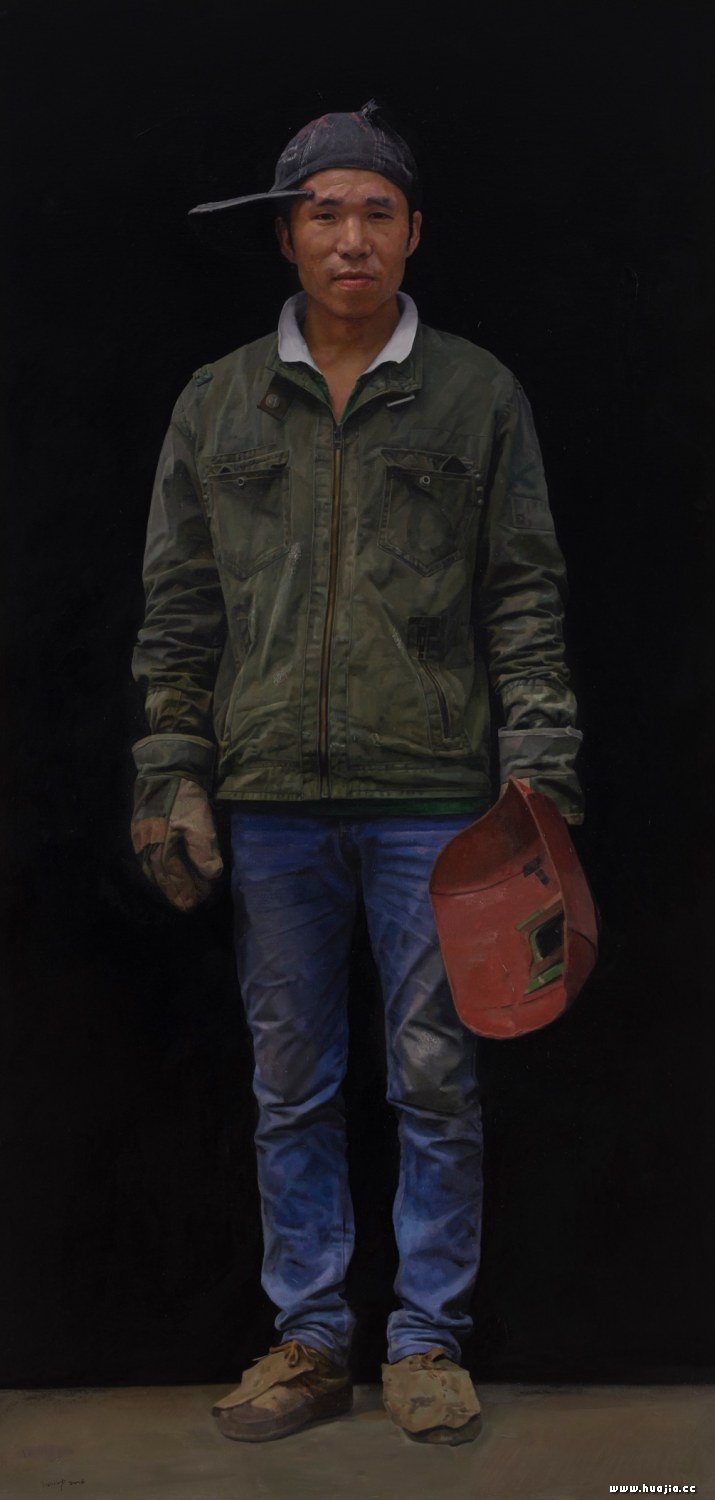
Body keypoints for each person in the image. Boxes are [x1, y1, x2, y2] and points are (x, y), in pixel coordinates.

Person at [130, 101, 583, 1446]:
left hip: (436, 801)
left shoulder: (475, 394)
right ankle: (313, 1340)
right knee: (293, 1083)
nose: (350, 238)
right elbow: (177, 614)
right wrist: (173, 771)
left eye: (376, 213)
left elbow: (524, 598)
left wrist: (540, 780)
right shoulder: (217, 401)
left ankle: (428, 1342)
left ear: (414, 233)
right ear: (286, 235)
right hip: (271, 800)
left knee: (436, 1076)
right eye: (324, 213)